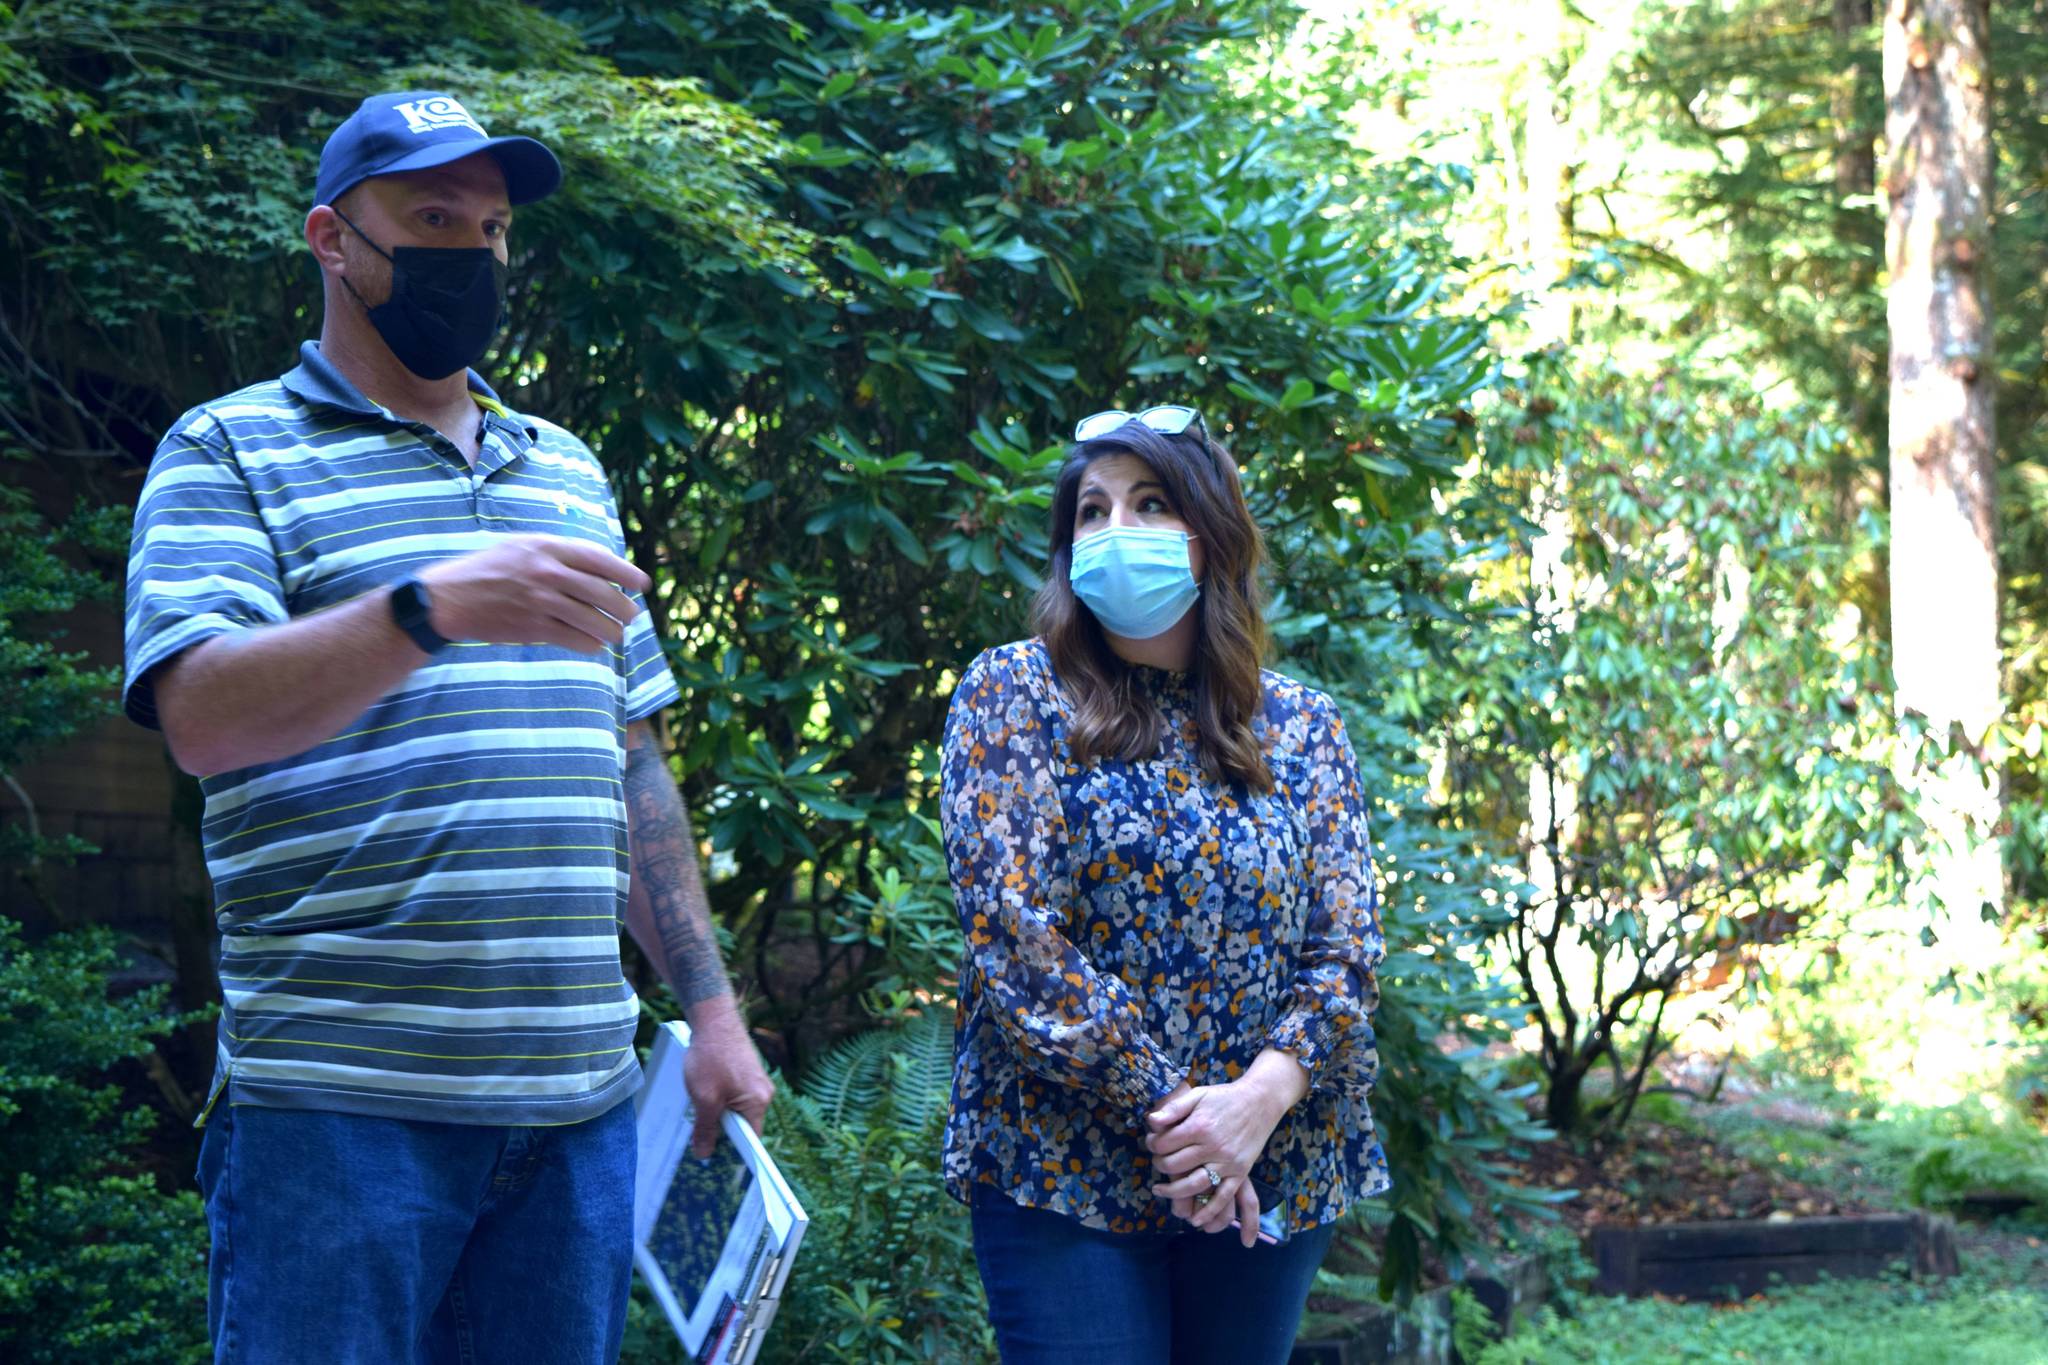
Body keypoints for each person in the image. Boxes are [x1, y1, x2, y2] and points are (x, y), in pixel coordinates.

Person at [120, 90, 773, 1364]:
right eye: (431, 219)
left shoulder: (566, 470)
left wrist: (716, 1012)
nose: (468, 254)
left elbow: (629, 759)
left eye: (489, 230)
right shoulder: (227, 450)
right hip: (340, 1116)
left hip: (576, 1116)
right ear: (331, 238)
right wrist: (427, 609)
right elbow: (198, 716)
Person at [938, 406, 1389, 1364]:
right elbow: (1018, 943)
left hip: (1277, 1161)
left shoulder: (1302, 727)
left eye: (1148, 504)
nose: (1114, 532)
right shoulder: (1014, 691)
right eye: (1091, 513)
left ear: (1210, 533)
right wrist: (1194, 1126)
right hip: (1066, 1171)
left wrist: (1257, 1104)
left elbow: (1347, 955)